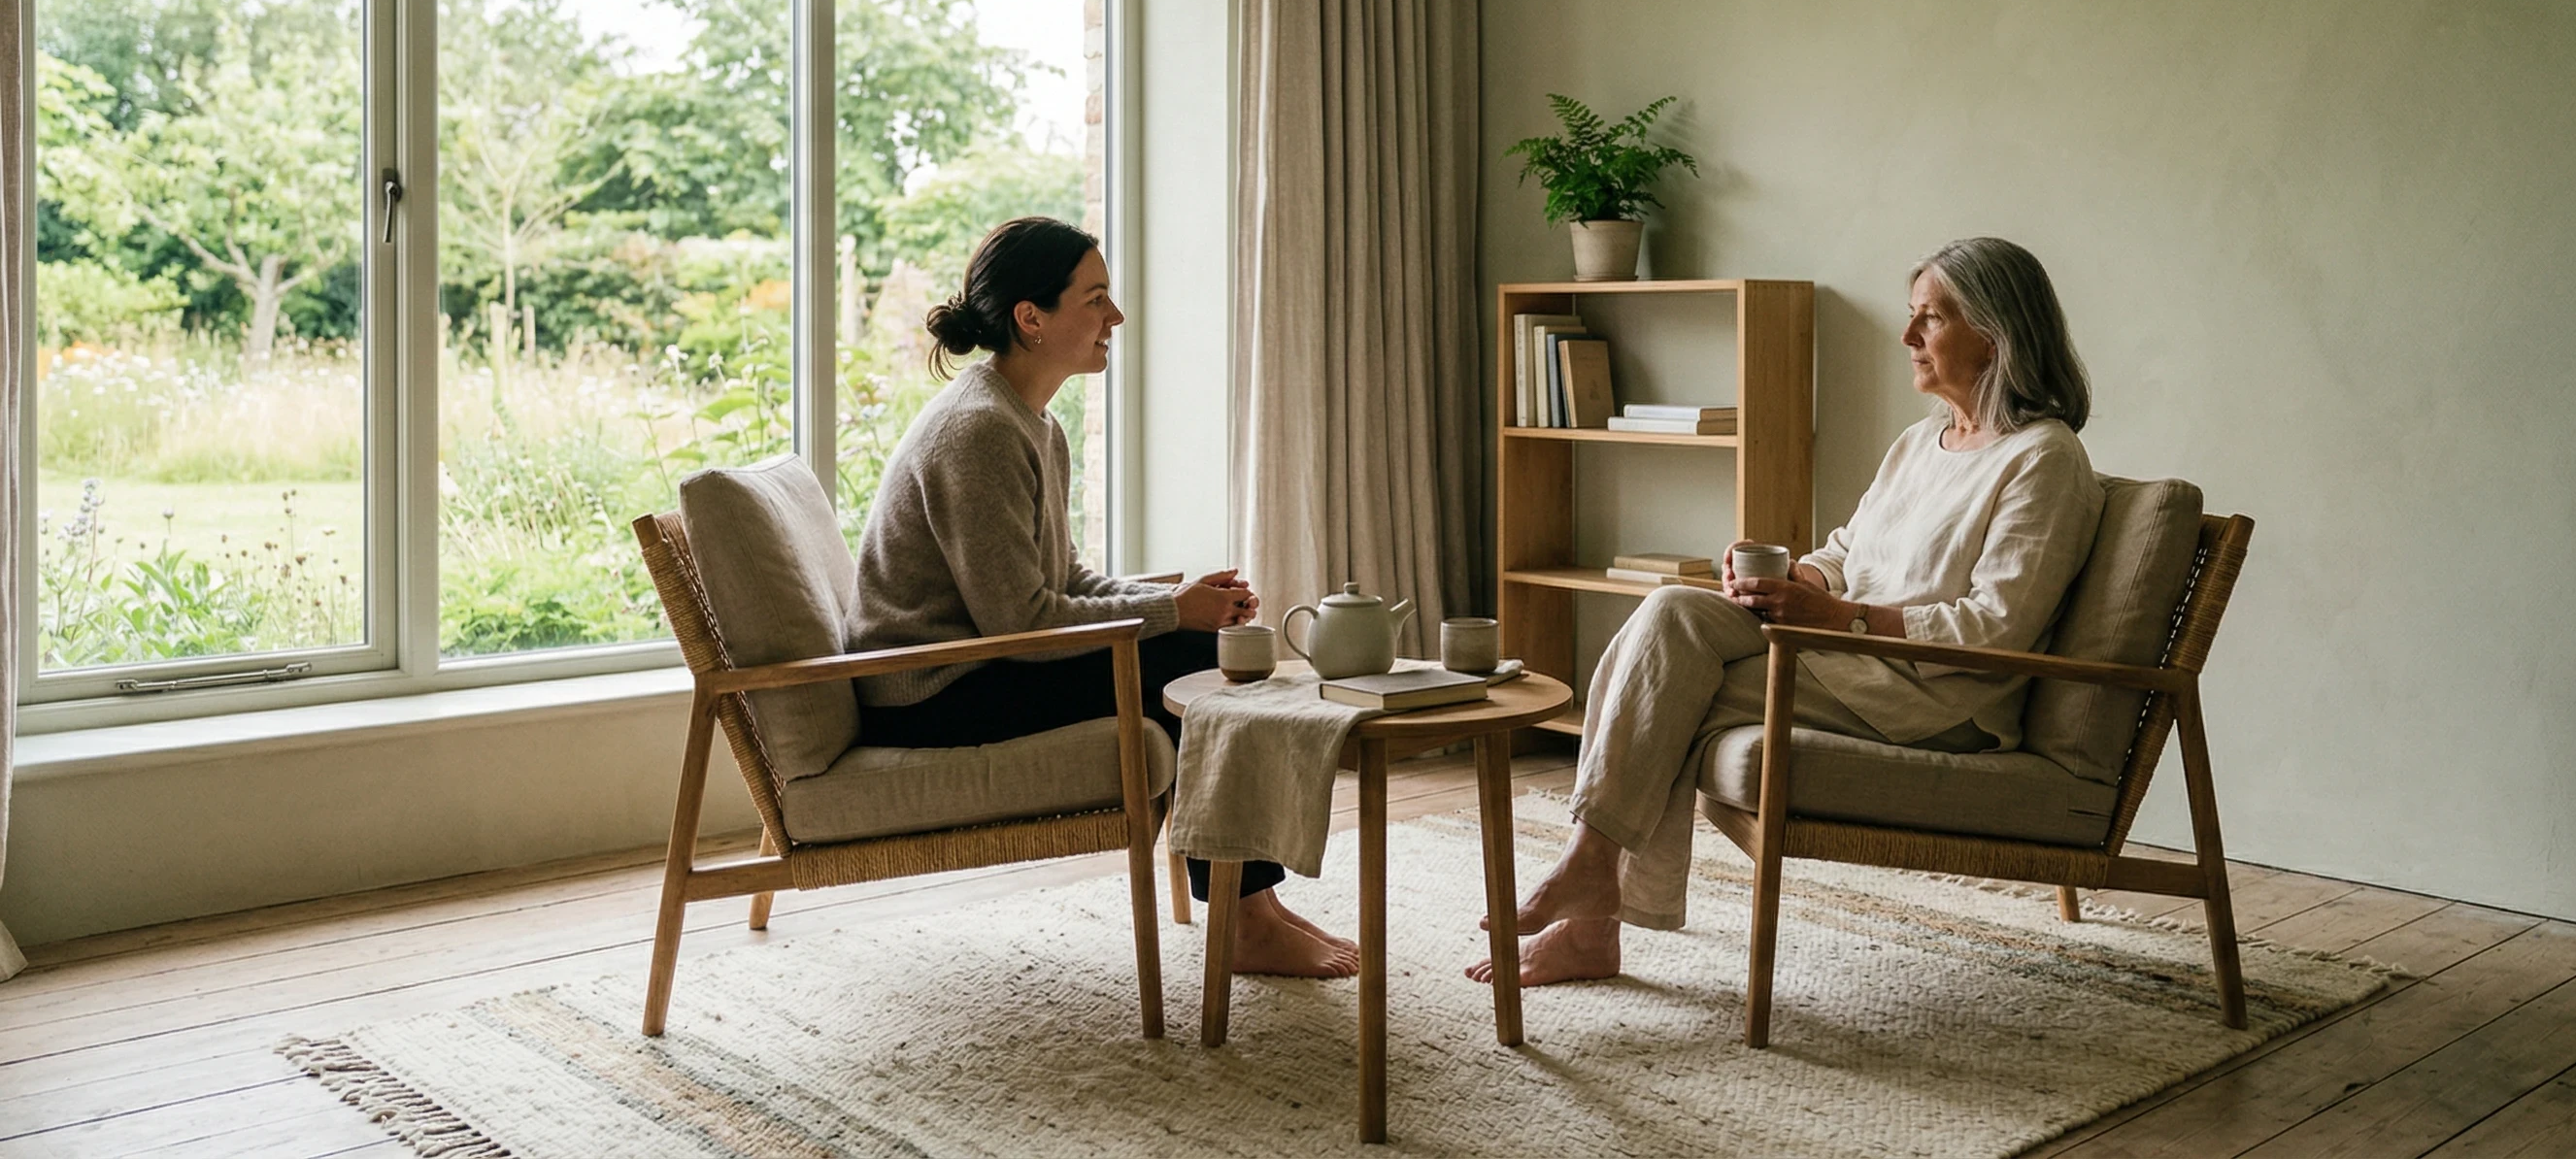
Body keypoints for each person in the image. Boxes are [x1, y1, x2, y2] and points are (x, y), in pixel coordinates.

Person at [1469, 237, 2105, 986]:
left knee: (1671, 691)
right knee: (1673, 608)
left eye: (1929, 320)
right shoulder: (1918, 443)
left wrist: (1838, 619)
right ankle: (1589, 888)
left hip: (1930, 697)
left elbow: (1993, 628)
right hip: (1852, 662)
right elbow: (1847, 552)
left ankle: (1590, 913)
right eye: (1913, 317)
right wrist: (1789, 578)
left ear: (1996, 335)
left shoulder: (2043, 459)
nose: (1907, 338)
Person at [852, 215, 1358, 977]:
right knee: (1191, 660)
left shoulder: (1030, 422)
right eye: (1095, 299)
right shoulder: (980, 431)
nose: (1114, 318)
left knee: (1196, 646)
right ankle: (1245, 915)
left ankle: (1252, 904)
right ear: (1031, 318)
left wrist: (1178, 596)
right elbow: (1021, 623)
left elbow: (1065, 580)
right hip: (937, 690)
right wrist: (1171, 615)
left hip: (981, 662)